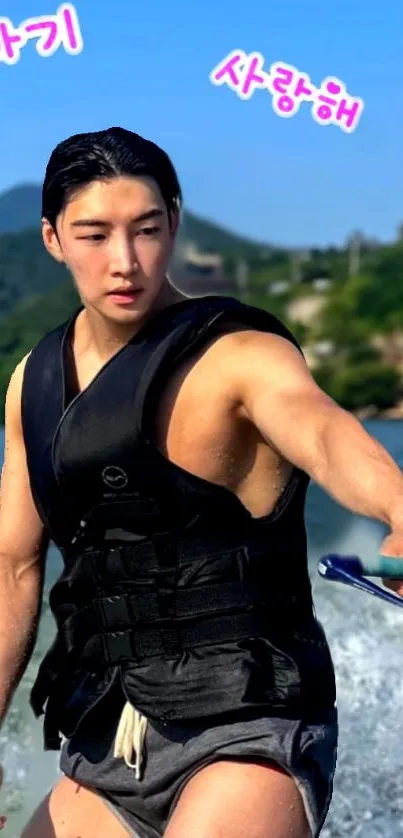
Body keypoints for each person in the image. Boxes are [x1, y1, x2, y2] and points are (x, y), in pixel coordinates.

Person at [0, 127, 402, 838]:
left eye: (147, 230)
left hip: (246, 728)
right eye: (93, 235)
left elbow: (322, 430)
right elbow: (12, 569)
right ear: (53, 239)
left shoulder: (238, 355)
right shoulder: (32, 383)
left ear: (175, 223)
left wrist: (395, 503)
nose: (125, 262)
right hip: (104, 741)